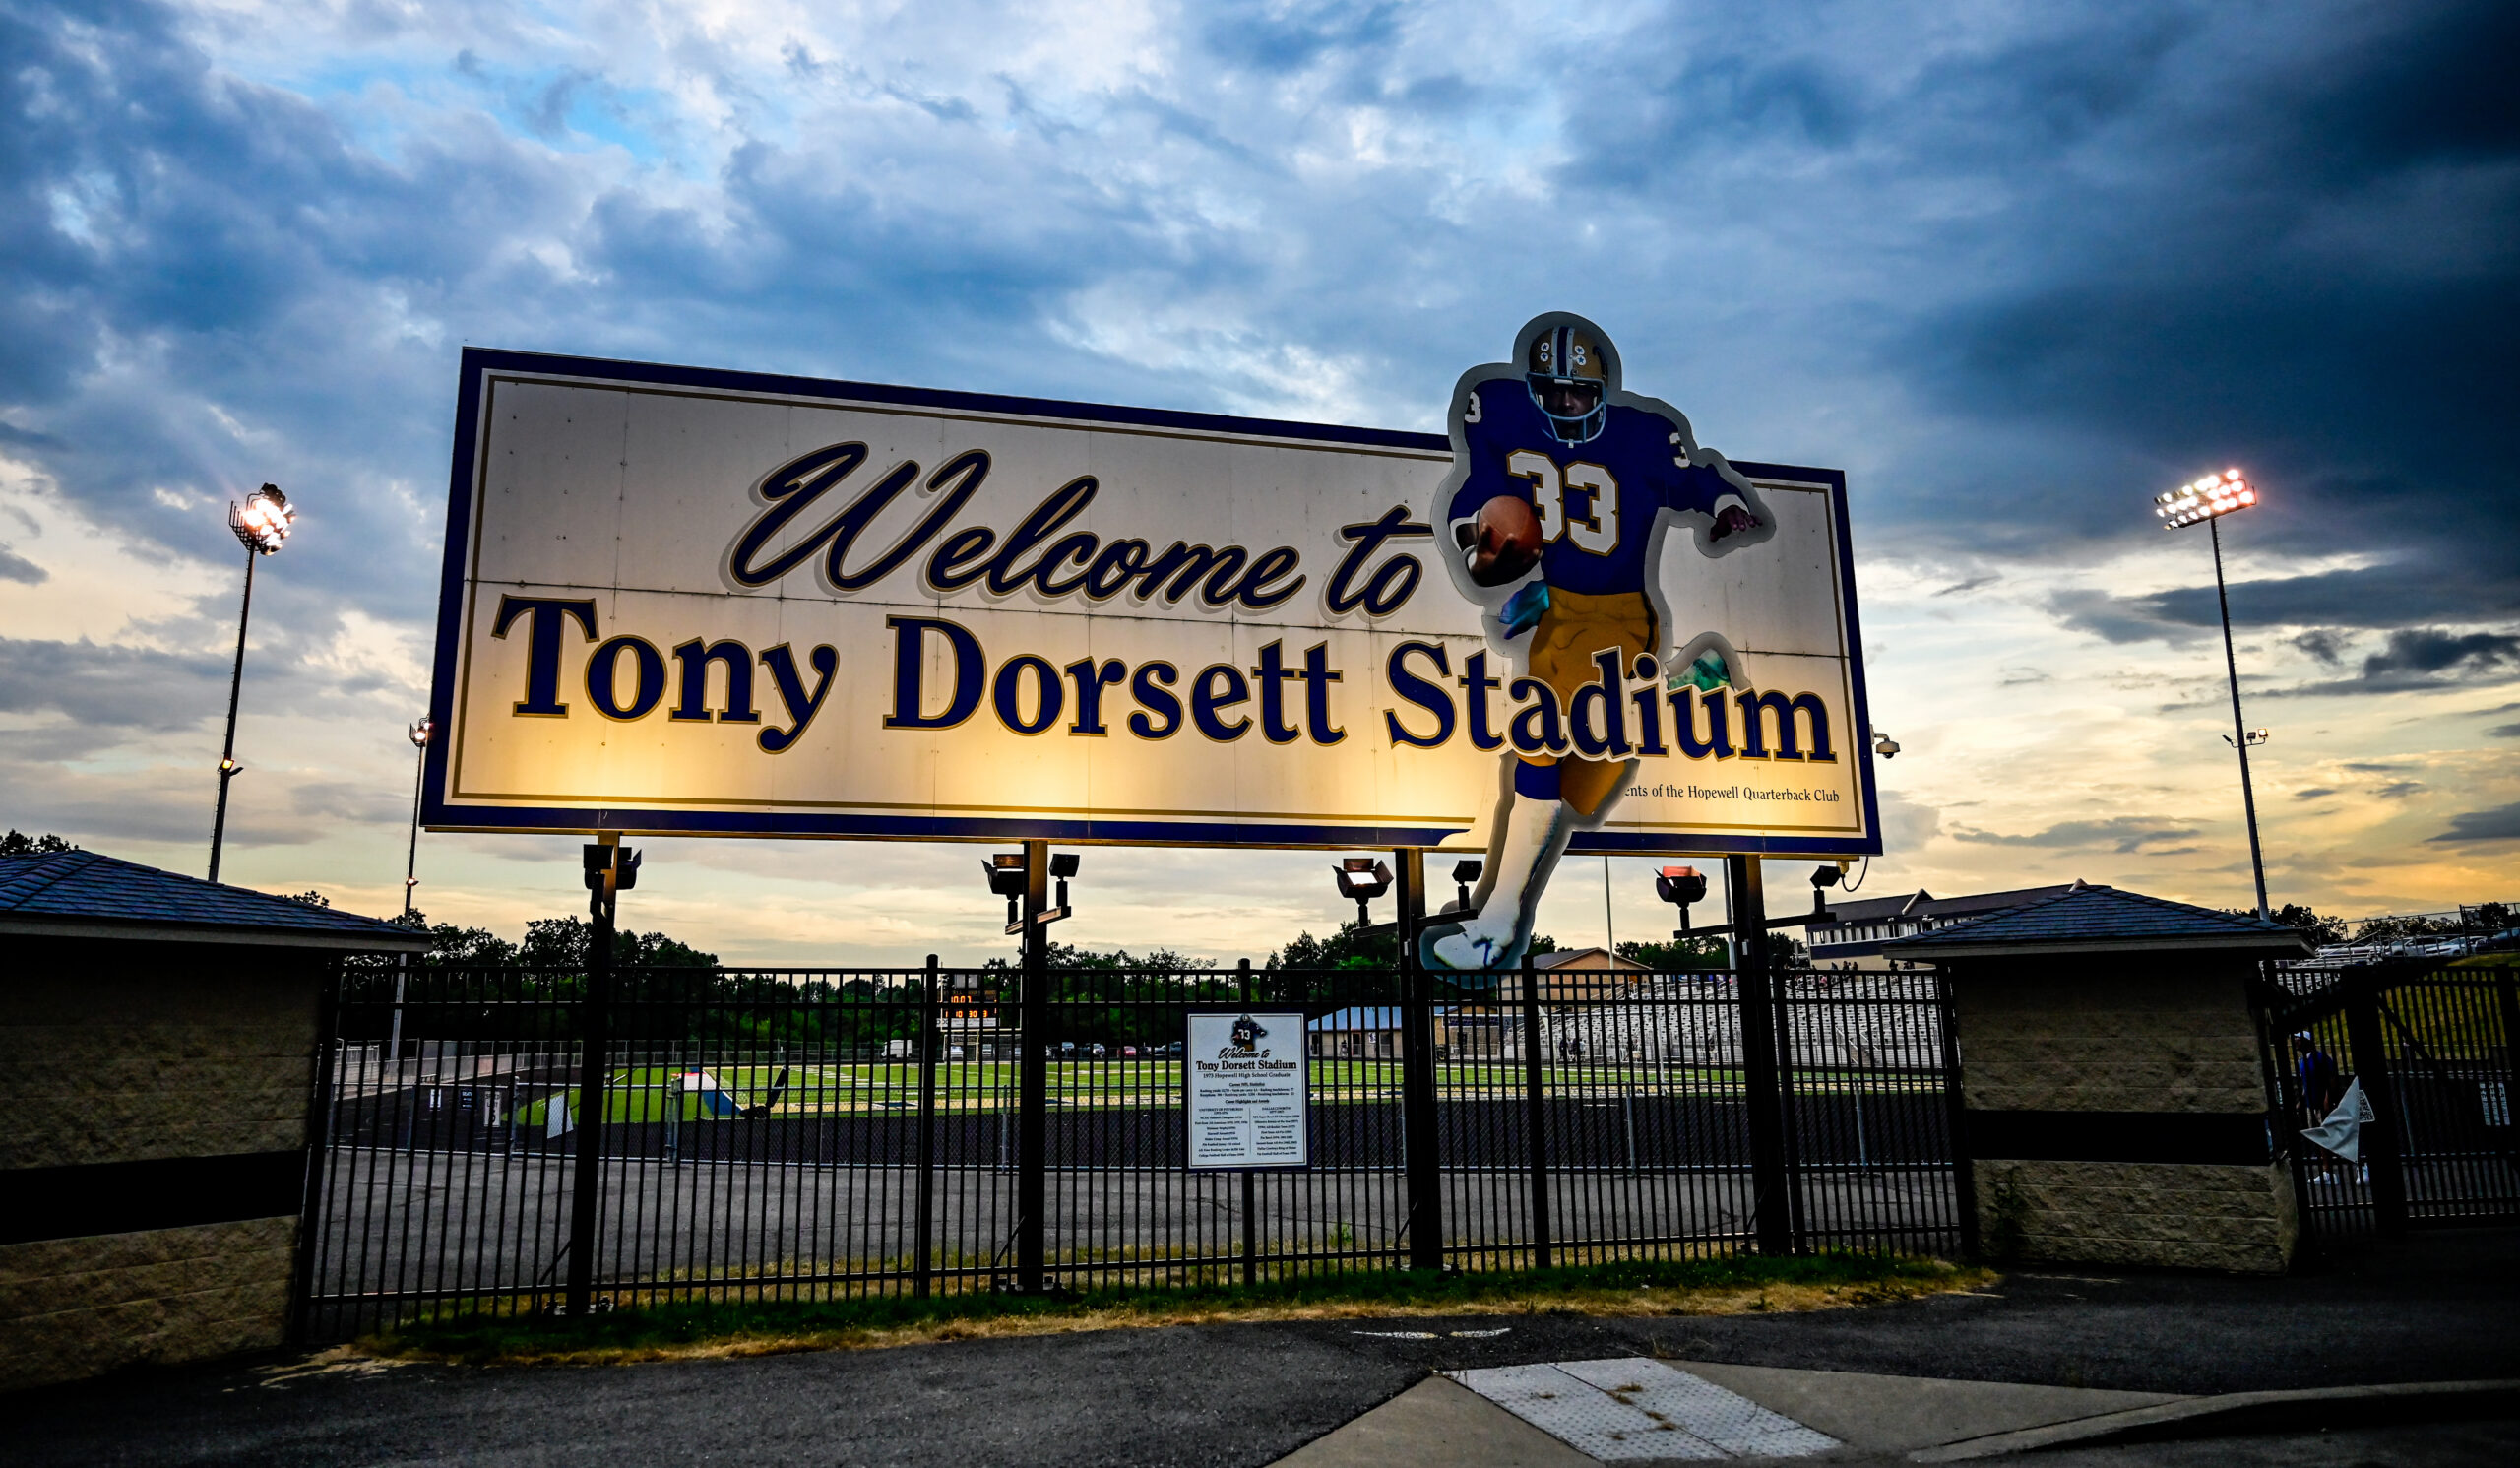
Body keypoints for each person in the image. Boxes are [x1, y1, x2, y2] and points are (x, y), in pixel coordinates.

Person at [1421, 314, 1772, 974]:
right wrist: (1481, 543)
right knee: (1567, 778)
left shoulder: (1643, 434)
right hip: (1554, 608)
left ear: (1601, 390)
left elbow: (1697, 477)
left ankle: (1498, 920)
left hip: (1614, 616)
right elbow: (1477, 495)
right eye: (1551, 391)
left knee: (1555, 766)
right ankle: (1689, 682)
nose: (1564, 403)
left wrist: (1725, 504)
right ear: (1533, 389)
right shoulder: (1500, 410)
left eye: (1577, 392)